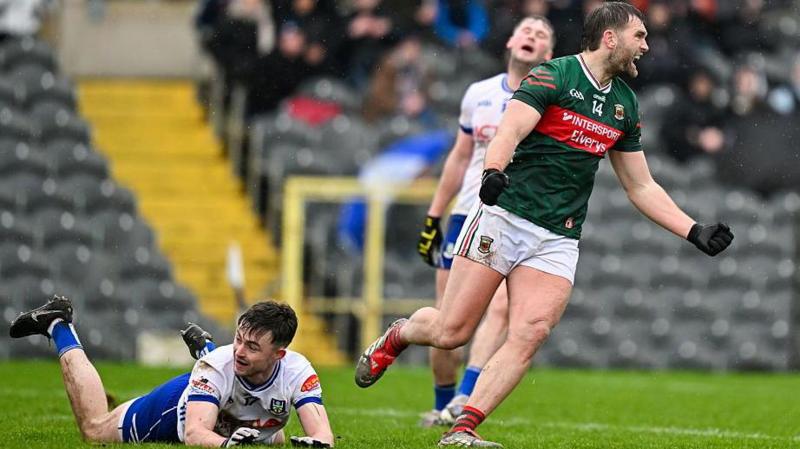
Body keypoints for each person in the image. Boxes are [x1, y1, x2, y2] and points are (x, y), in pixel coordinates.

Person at [356, 3, 734, 447]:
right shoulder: (553, 76)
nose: (646, 46)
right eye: (640, 36)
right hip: (506, 216)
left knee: (531, 333)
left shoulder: (625, 105)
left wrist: (693, 230)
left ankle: (462, 430)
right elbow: (508, 133)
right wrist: (494, 170)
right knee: (451, 332)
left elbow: (641, 186)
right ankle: (398, 335)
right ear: (610, 38)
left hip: (558, 236)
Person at [415, 15, 555, 428]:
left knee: (504, 305)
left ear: (549, 55)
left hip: (515, 215)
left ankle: (464, 395)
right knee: (448, 319)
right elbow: (460, 157)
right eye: (526, 29)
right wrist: (433, 216)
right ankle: (443, 401)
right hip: (466, 213)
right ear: (511, 41)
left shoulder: (555, 99)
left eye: (542, 34)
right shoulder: (479, 93)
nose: (531, 35)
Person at [9, 296, 334, 447]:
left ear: (280, 354)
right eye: (238, 339)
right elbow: (195, 434)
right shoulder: (220, 366)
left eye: (252, 346)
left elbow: (322, 434)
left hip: (227, 402)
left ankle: (203, 347)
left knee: (272, 438)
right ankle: (58, 324)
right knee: (94, 429)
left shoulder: (298, 371)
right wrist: (226, 446)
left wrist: (318, 443)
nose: (239, 349)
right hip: (176, 408)